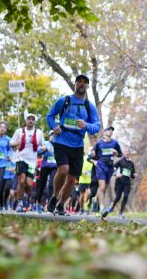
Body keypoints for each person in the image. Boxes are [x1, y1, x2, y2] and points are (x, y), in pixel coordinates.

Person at [45, 74, 101, 215]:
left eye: (85, 82)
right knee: (63, 170)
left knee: (72, 178)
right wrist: (54, 126)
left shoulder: (89, 106)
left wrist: (86, 125)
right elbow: (50, 116)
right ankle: (54, 196)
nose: (82, 84)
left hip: (77, 145)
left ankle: (61, 205)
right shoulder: (64, 100)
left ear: (87, 86)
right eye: (79, 81)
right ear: (75, 84)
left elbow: (97, 126)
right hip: (62, 140)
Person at [10, 113, 45, 212]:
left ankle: (22, 197)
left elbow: (43, 145)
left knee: (29, 185)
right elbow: (11, 143)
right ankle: (20, 203)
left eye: (32, 119)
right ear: (25, 120)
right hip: (20, 158)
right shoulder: (19, 131)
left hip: (32, 162)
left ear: (34, 121)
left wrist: (44, 148)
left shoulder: (39, 133)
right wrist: (17, 143)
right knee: (21, 181)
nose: (30, 121)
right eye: (29, 119)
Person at [89, 126, 123, 216]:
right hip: (101, 165)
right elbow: (92, 154)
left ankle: (96, 199)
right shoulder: (99, 143)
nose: (111, 132)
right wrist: (92, 155)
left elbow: (120, 154)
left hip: (110, 166)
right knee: (102, 187)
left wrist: (116, 153)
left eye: (112, 130)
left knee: (104, 188)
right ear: (104, 132)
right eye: (109, 130)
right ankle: (101, 208)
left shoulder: (115, 143)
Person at [103, 153, 136, 218]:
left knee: (126, 196)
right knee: (118, 197)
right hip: (119, 182)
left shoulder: (131, 163)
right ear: (124, 154)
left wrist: (134, 175)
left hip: (127, 182)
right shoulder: (121, 161)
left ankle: (120, 212)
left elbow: (132, 174)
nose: (127, 153)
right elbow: (113, 168)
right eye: (126, 152)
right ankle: (111, 207)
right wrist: (116, 174)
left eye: (128, 152)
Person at [35, 131, 57, 213]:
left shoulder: (58, 145)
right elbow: (38, 152)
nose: (53, 137)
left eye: (54, 135)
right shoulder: (45, 143)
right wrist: (44, 150)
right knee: (42, 185)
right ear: (49, 136)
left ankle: (50, 205)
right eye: (51, 135)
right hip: (45, 166)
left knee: (52, 185)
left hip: (54, 167)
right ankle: (39, 203)